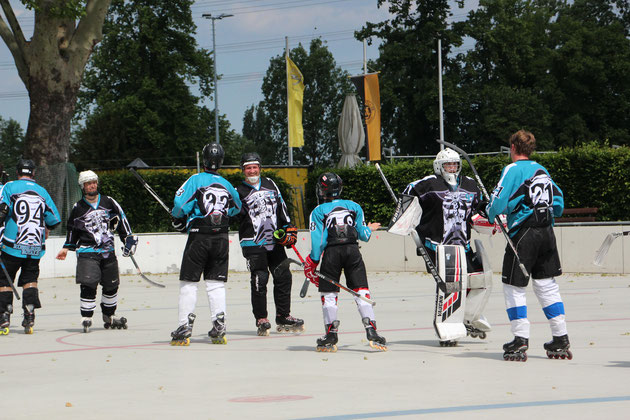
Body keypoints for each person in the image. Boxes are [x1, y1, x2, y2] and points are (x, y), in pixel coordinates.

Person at [485, 130, 570, 361]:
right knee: (546, 284)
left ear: (513, 147)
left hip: (524, 233)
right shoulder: (541, 169)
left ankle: (520, 338)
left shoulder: (512, 169)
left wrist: (490, 212)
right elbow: (558, 200)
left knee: (514, 285)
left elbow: (499, 201)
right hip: (546, 232)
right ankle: (560, 336)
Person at [401, 147, 492, 345]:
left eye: (455, 164)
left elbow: (478, 212)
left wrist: (492, 218)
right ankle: (449, 326)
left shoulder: (470, 185)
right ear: (438, 166)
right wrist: (405, 217)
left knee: (480, 279)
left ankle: (469, 316)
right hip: (438, 247)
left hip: (464, 246)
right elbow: (407, 199)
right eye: (447, 164)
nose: (452, 168)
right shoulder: (426, 185)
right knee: (452, 285)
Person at [304, 172, 386, 352]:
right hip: (353, 252)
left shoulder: (317, 212)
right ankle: (372, 331)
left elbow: (319, 242)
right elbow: (363, 235)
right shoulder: (354, 206)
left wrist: (312, 262)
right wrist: (369, 229)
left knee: (329, 293)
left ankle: (331, 334)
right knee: (361, 290)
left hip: (332, 253)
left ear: (322, 190)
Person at [169, 143, 242, 346]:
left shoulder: (195, 179)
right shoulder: (227, 185)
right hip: (221, 238)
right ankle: (219, 324)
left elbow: (179, 205)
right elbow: (237, 208)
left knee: (189, 282)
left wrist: (177, 217)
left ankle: (184, 325)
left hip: (199, 236)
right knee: (215, 283)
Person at [56, 170, 138, 333]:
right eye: (88, 183)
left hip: (108, 252)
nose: (92, 185)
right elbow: (72, 229)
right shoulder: (78, 207)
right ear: (82, 187)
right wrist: (67, 247)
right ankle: (87, 316)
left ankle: (109, 316)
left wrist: (128, 239)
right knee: (89, 283)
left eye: (94, 182)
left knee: (111, 286)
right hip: (87, 252)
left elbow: (122, 220)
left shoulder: (109, 202)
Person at [236, 152, 303, 336]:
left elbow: (281, 206)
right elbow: (235, 215)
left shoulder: (270, 183)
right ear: (243, 170)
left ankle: (283, 315)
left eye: (254, 167)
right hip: (252, 242)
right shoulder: (238, 191)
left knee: (283, 276)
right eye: (248, 168)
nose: (252, 171)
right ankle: (261, 318)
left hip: (274, 239)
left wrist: (288, 226)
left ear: (260, 167)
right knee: (260, 278)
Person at [0, 158, 61, 335]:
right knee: (30, 280)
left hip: (12, 244)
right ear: (34, 173)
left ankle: (4, 315)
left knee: (4, 280)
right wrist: (45, 228)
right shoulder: (42, 191)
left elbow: (2, 211)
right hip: (34, 247)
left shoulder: (9, 187)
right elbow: (54, 219)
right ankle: (30, 314)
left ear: (18, 172)